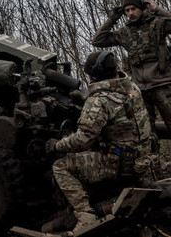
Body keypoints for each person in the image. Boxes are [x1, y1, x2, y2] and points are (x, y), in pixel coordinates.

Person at [91, 0, 171, 175]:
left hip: (164, 85)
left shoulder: (156, 24)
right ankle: (157, 177)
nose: (131, 13)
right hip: (141, 90)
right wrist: (113, 18)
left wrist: (157, 10)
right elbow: (98, 40)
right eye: (127, 10)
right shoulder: (124, 33)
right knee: (148, 137)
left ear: (141, 8)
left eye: (133, 9)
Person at [45, 51, 152, 233]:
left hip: (120, 166)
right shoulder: (132, 87)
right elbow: (115, 107)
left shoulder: (99, 101)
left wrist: (56, 145)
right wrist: (85, 99)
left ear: (93, 75)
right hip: (141, 160)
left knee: (60, 166)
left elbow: (82, 141)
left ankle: (85, 214)